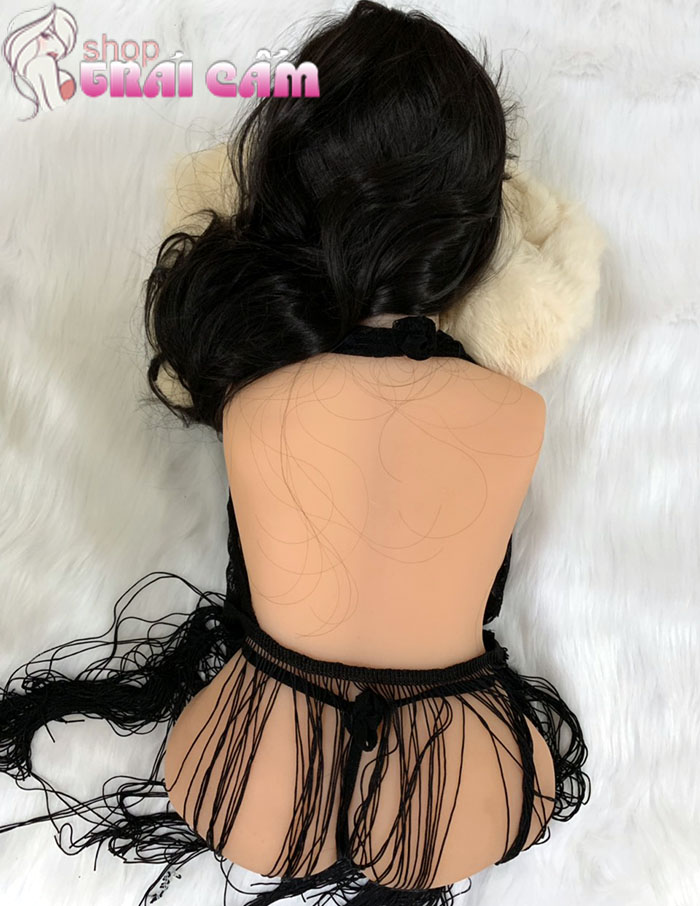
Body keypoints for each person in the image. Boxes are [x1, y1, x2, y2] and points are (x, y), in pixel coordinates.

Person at [0, 3, 594, 904]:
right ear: (479, 229)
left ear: (294, 194)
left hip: (255, 769)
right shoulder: (516, 412)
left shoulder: (254, 400)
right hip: (461, 785)